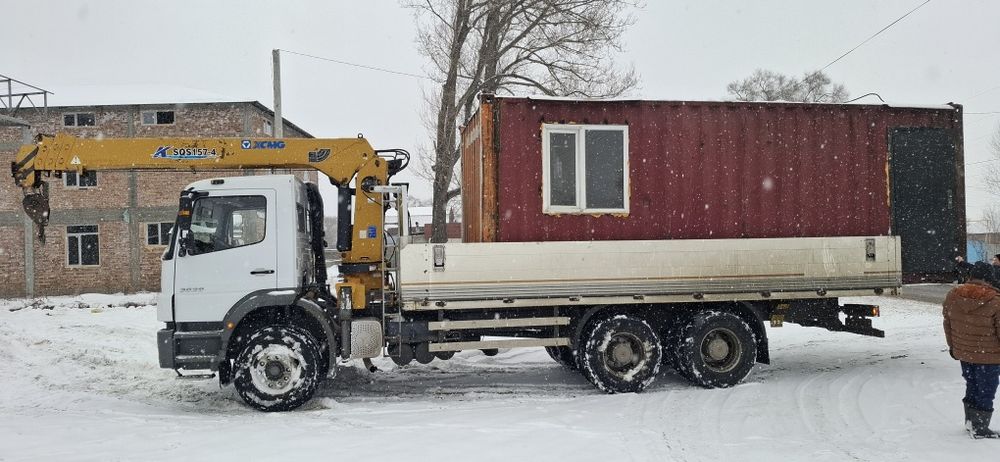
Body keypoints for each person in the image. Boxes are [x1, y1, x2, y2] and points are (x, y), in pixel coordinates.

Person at [943, 261, 1000, 439]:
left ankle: (971, 422)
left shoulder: (953, 295)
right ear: (989, 278)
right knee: (987, 390)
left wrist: (953, 347)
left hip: (964, 354)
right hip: (989, 357)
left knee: (973, 385)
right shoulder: (996, 300)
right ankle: (980, 428)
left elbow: (948, 324)